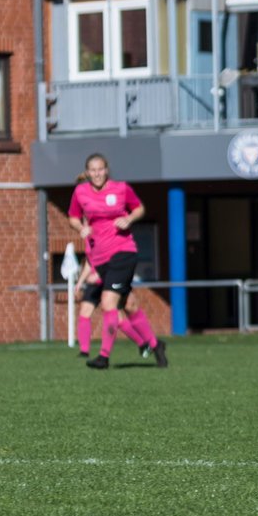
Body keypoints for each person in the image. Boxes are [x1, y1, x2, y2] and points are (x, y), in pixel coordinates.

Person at [67, 154, 168, 370]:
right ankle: (155, 345)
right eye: (92, 170)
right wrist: (80, 228)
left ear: (107, 170)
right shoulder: (80, 192)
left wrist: (129, 218)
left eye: (100, 169)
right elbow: (73, 217)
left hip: (123, 252)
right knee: (129, 305)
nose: (97, 174)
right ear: (87, 172)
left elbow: (139, 208)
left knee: (108, 303)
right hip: (101, 258)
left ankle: (103, 357)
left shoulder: (121, 189)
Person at [74, 259, 150, 359]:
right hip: (94, 284)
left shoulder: (107, 244)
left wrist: (98, 275)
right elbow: (89, 262)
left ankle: (143, 344)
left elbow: (111, 260)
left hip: (108, 282)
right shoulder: (89, 244)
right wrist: (79, 283)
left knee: (118, 319)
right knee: (84, 313)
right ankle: (84, 352)